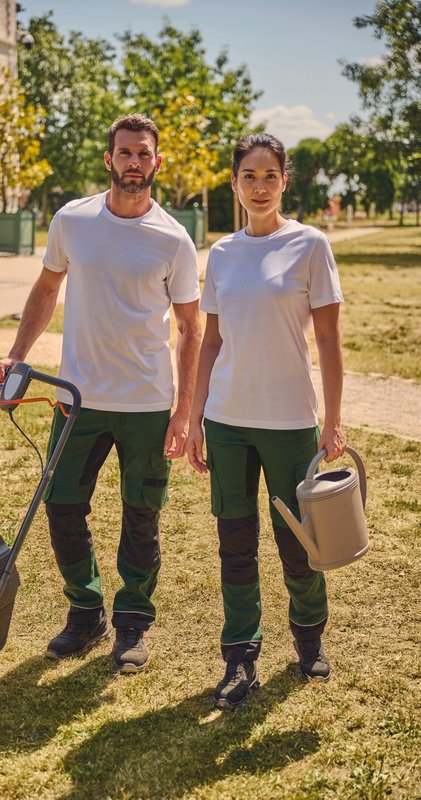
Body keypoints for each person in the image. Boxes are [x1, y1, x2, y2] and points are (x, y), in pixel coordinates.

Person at [0, 114, 201, 673]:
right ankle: (85, 613)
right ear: (109, 159)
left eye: (144, 153)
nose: (134, 161)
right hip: (76, 399)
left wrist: (184, 409)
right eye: (125, 152)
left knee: (141, 516)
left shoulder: (174, 238)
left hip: (147, 404)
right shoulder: (73, 220)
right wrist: (17, 354)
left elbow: (191, 328)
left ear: (158, 163)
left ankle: (132, 624)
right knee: (61, 507)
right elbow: (46, 289)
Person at [186, 133, 346, 710]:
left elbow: (328, 338)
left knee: (299, 542)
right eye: (248, 177)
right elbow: (210, 343)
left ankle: (309, 640)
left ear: (284, 182)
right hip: (228, 421)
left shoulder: (310, 245)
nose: (259, 186)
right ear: (234, 184)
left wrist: (332, 421)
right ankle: (240, 658)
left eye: (269, 176)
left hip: (289, 422)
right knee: (235, 543)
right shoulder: (223, 254)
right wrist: (197, 416)